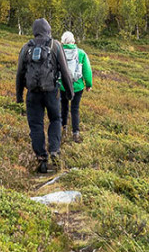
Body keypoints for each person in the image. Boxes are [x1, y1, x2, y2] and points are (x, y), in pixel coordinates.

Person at [16, 18, 73, 174]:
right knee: (55, 119)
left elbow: (20, 73)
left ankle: (41, 159)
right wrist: (69, 92)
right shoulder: (55, 46)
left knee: (36, 125)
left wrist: (19, 96)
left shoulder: (26, 47)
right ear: (48, 29)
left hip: (33, 94)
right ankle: (54, 150)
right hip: (51, 92)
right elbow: (65, 71)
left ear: (35, 30)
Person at [59, 31, 92, 143]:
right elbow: (87, 71)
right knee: (75, 108)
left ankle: (63, 130)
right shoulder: (81, 53)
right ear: (73, 41)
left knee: (63, 107)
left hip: (62, 85)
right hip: (77, 86)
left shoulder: (59, 51)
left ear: (62, 41)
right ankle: (75, 133)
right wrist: (88, 84)